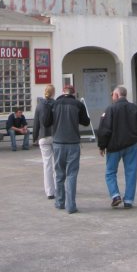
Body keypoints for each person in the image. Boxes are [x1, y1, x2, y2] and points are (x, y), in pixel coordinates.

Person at [97, 85, 137, 209]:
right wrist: (136, 137)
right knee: (131, 172)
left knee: (110, 172)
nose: (112, 97)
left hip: (114, 147)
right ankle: (129, 200)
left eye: (112, 95)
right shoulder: (134, 108)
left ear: (117, 95)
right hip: (131, 145)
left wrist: (102, 146)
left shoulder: (110, 109)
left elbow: (104, 130)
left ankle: (115, 195)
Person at [42, 84, 90, 214]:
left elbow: (46, 122)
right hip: (73, 143)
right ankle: (71, 206)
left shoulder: (55, 104)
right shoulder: (78, 105)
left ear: (63, 92)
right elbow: (86, 122)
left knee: (59, 174)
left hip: (58, 142)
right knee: (72, 174)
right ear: (73, 93)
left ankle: (60, 202)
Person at [33, 84, 56, 199]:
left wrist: (34, 137)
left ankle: (49, 192)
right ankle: (58, 188)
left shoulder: (39, 106)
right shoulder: (56, 104)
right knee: (57, 164)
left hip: (43, 136)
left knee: (47, 165)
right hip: (55, 136)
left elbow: (36, 123)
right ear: (53, 93)